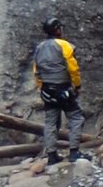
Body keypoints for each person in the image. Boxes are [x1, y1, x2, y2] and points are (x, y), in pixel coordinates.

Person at [32, 16, 85, 165]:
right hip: (63, 88)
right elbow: (73, 67)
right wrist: (77, 85)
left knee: (51, 123)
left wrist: (41, 86)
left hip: (47, 89)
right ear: (57, 29)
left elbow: (36, 70)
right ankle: (74, 152)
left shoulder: (39, 47)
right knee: (76, 117)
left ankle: (52, 155)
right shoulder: (64, 45)